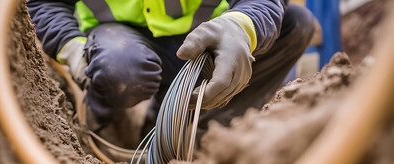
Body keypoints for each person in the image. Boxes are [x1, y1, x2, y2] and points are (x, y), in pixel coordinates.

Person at [27, 0, 315, 139]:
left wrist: (241, 25)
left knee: (296, 23)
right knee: (121, 69)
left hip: (202, 38)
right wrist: (72, 46)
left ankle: (200, 133)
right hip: (121, 38)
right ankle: (104, 128)